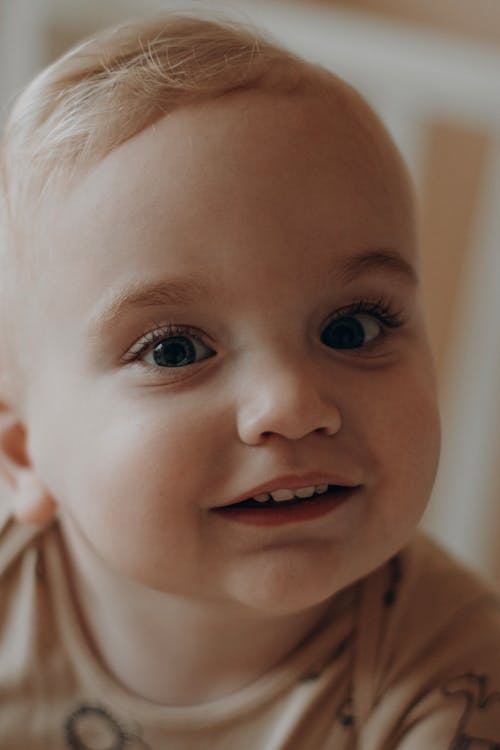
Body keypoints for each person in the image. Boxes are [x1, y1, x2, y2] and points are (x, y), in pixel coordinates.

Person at [0, 11, 499, 749]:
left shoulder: (452, 676)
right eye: (173, 351)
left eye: (351, 328)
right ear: (22, 454)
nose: (292, 404)